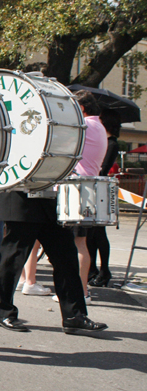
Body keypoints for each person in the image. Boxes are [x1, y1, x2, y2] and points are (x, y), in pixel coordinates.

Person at [0, 91, 108, 335]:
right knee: (14, 258)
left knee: (65, 257)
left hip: (49, 196)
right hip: (21, 194)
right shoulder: (29, 121)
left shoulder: (72, 125)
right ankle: (3, 311)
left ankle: (74, 315)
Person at [69, 90, 107, 301]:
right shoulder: (98, 125)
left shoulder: (85, 126)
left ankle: (80, 292)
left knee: (78, 242)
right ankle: (80, 290)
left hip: (78, 187)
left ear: (81, 108)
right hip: (88, 187)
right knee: (80, 241)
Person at [88, 109, 122, 288]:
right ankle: (92, 268)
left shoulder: (112, 143)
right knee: (92, 234)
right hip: (96, 187)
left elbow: (104, 167)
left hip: (101, 189)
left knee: (99, 233)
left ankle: (104, 270)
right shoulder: (105, 141)